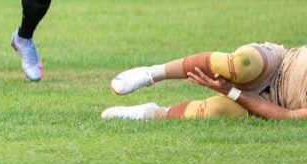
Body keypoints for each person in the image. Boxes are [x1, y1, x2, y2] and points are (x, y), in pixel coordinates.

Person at [102, 42, 307, 120]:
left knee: (209, 112)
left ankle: (152, 112)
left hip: (272, 101)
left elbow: (288, 116)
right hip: (280, 62)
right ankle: (152, 73)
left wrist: (231, 92)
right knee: (239, 63)